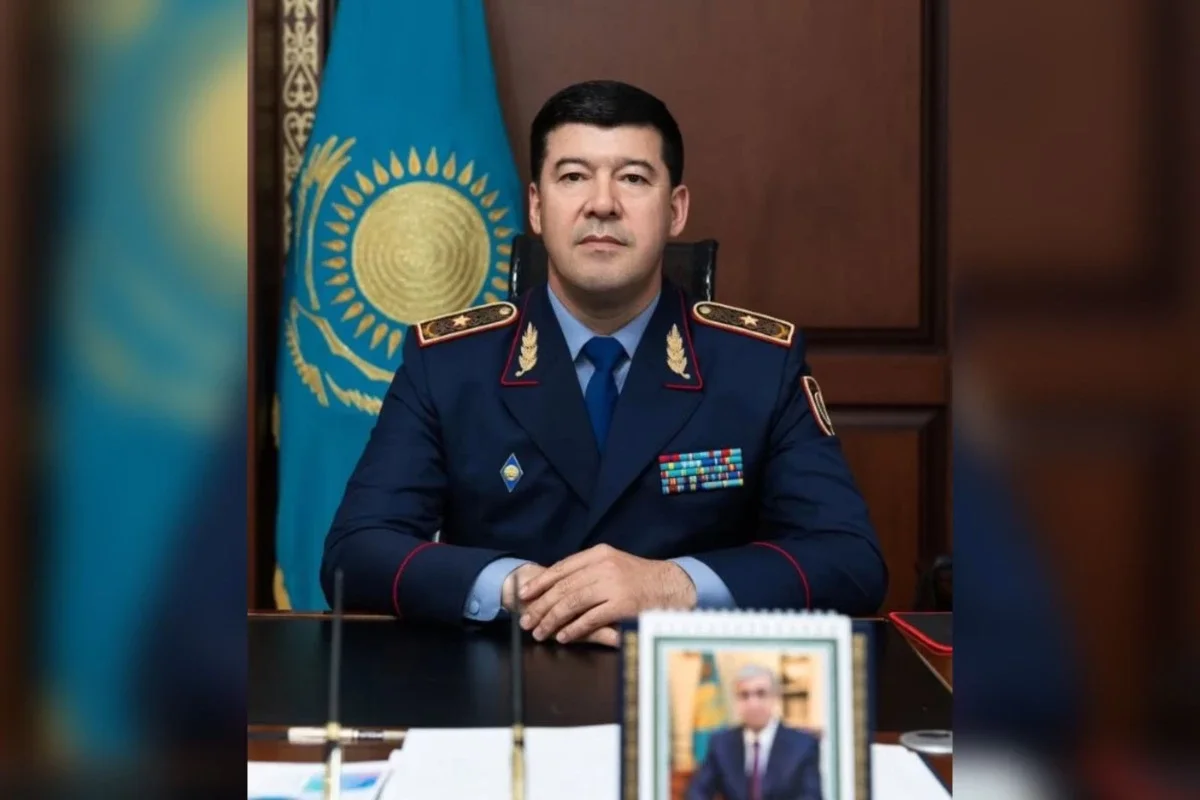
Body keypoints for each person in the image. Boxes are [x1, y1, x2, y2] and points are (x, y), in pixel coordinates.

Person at [321, 79, 887, 647]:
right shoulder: (448, 364)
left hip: (687, 682)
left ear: (675, 210)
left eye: (633, 179)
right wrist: (519, 590)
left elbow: (850, 558)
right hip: (502, 681)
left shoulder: (759, 366)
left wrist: (673, 585)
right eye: (573, 177)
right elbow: (357, 548)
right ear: (537, 207)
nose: (602, 203)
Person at [687, 664, 823, 800]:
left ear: (775, 698)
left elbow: (811, 796)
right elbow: (697, 792)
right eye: (744, 695)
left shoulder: (803, 745)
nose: (753, 704)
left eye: (761, 694)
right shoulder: (721, 744)